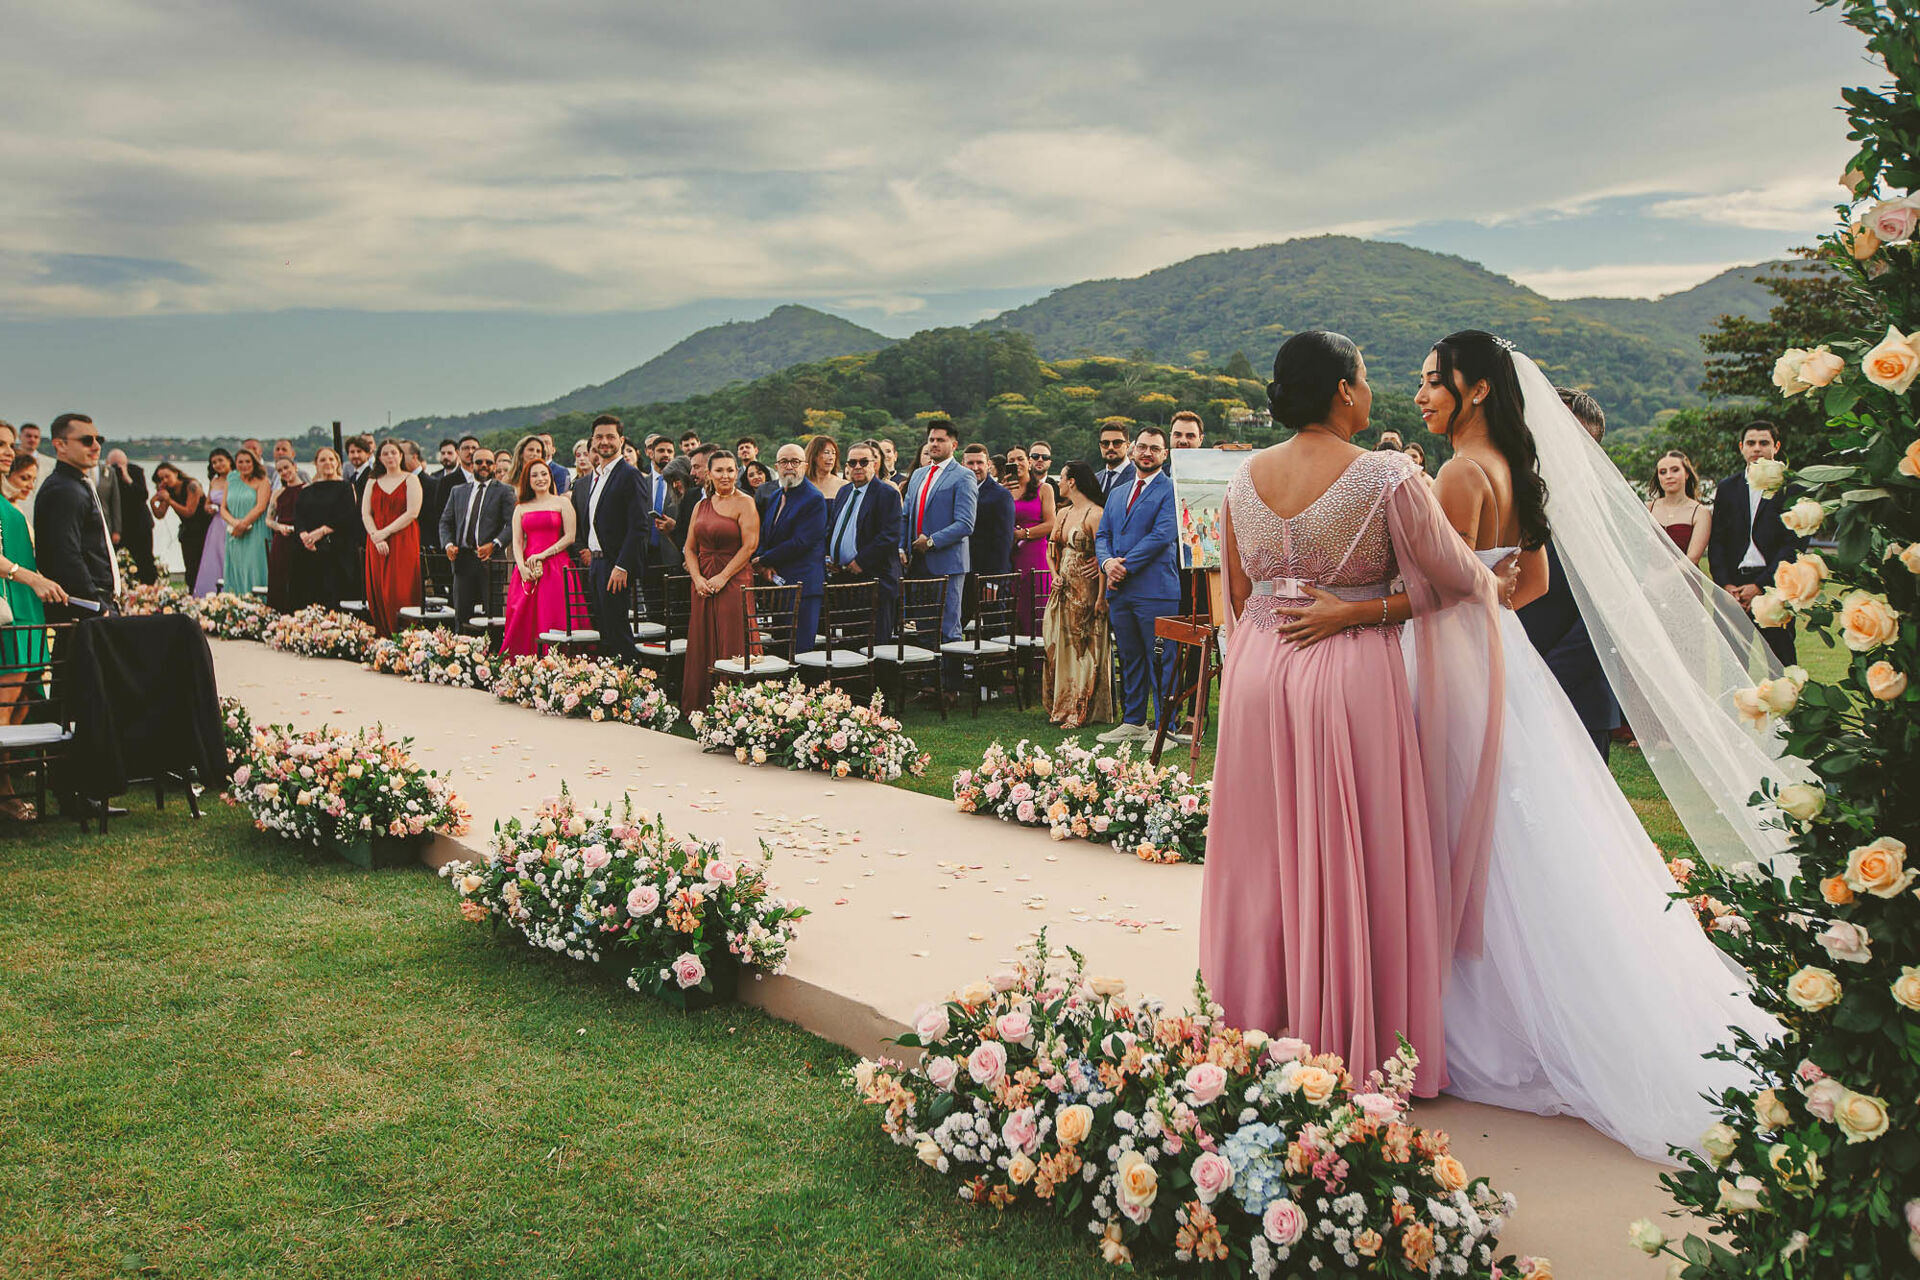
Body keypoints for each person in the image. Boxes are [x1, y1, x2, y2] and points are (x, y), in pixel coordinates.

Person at [1277, 329, 1782, 1158]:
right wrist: (1484, 608)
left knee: (1457, 832)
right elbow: (1528, 583)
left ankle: (1474, 1020)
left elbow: (1428, 590)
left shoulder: (1457, 473)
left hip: (1448, 666)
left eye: (1435, 382)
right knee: (1521, 834)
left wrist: (1349, 612)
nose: (1422, 395)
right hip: (1504, 662)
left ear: (1476, 389)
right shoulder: (1516, 468)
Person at [1199, 332, 1502, 1096]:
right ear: (1342, 390)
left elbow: (1236, 591)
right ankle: (1346, 1038)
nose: (1372, 390)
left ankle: (1254, 1025)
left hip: (1259, 669)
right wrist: (1363, 610)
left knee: (1262, 854)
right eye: (1365, 376)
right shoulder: (1385, 475)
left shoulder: (1242, 477)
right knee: (1350, 851)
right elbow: (1461, 580)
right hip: (1345, 668)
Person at [1516, 389, 1623, 759]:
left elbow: (1606, 616)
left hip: (1579, 695)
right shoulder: (1512, 494)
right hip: (1510, 683)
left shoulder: (1607, 511)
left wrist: (1541, 675)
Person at [1094, 427, 1180, 744]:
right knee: (1129, 657)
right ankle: (1134, 721)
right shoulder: (1117, 493)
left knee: (1160, 660)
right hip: (1121, 591)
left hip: (1155, 589)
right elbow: (1102, 535)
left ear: (1164, 454)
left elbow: (1161, 536)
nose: (1147, 453)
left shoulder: (1171, 490)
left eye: (1154, 448)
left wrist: (1123, 566)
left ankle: (1164, 728)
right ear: (1133, 450)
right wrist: (1107, 563)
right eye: (1142, 447)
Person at [0, 424, 66, 820]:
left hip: (27, 611)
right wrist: (30, 577)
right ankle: (4, 792)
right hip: (8, 610)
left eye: (9, 445)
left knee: (24, 701)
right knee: (4, 704)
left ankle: (11, 774)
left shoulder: (6, 498)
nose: (7, 452)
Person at [1707, 421, 1804, 664]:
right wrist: (1725, 585)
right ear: (1742, 447)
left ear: (1776, 446)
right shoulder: (1728, 487)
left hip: (1773, 585)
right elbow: (1717, 541)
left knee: (1781, 666)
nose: (1757, 448)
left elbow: (1793, 545)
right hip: (1733, 590)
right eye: (1751, 443)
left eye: (1764, 443)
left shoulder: (1791, 488)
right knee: (1732, 667)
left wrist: (1760, 586)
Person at [682, 452, 759, 714]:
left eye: (730, 470)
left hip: (734, 579)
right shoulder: (700, 506)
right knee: (702, 638)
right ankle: (702, 705)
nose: (725, 475)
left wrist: (723, 577)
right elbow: (689, 548)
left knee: (732, 638)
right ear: (709, 474)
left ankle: (736, 708)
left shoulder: (745, 503)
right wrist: (697, 579)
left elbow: (750, 546)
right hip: (702, 581)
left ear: (737, 472)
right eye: (719, 471)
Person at [571, 415, 649, 663]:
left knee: (618, 630)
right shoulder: (596, 477)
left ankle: (630, 686)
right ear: (592, 441)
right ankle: (609, 686)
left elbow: (639, 526)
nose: (604, 442)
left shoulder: (629, 474)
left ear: (621, 440)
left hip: (616, 566)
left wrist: (623, 565)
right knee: (604, 629)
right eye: (599, 437)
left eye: (610, 437)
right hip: (596, 564)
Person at [1041, 462, 1111, 728]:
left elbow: (1103, 556)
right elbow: (1051, 549)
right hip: (1063, 587)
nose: (1057, 483)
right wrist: (1053, 574)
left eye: (1061, 478)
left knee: (1083, 646)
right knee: (1058, 642)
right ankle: (1062, 703)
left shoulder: (1096, 513)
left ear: (1072, 482)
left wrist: (1101, 597)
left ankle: (1081, 708)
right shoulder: (1063, 513)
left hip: (1087, 588)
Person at [902, 421, 977, 670]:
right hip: (918, 563)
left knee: (947, 627)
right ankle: (928, 683)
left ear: (953, 445)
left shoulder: (964, 476)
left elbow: (965, 523)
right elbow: (906, 516)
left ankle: (951, 685)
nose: (934, 444)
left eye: (940, 440)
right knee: (923, 626)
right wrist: (903, 547)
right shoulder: (919, 475)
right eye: (931, 439)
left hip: (947, 562)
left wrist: (931, 542)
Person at [34, 413, 120, 615]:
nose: (96, 446)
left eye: (99, 440)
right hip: (83, 609)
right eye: (86, 440)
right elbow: (65, 554)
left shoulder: (74, 485)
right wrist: (96, 605)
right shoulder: (64, 490)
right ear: (60, 445)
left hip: (92, 604)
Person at [499, 445, 576, 657]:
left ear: (550, 477)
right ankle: (525, 662)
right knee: (524, 618)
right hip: (528, 569)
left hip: (557, 567)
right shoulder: (521, 507)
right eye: (534, 475)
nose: (540, 478)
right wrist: (521, 567)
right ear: (528, 480)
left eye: (544, 474)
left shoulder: (562, 502)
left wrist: (543, 554)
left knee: (555, 613)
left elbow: (570, 537)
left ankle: (558, 661)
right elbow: (516, 542)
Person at [827, 441, 904, 643]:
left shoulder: (887, 494)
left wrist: (860, 561)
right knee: (851, 642)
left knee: (875, 645)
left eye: (863, 462)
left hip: (875, 580)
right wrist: (831, 557)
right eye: (852, 463)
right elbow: (835, 528)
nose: (857, 467)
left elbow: (890, 535)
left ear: (874, 464)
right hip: (846, 579)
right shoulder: (844, 492)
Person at [755, 444, 828, 653]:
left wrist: (763, 560)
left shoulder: (814, 498)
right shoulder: (775, 496)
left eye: (795, 462)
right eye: (784, 462)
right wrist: (762, 560)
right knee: (779, 649)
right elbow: (765, 534)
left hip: (803, 586)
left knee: (800, 650)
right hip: (777, 584)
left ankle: (802, 687)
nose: (789, 466)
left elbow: (802, 542)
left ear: (805, 465)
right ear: (776, 466)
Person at [439, 445, 513, 628]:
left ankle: (493, 653)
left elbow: (512, 524)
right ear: (472, 465)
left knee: (492, 617)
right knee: (461, 615)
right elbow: (445, 522)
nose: (484, 465)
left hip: (491, 560)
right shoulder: (458, 491)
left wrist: (495, 545)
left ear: (494, 466)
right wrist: (448, 545)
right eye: (479, 462)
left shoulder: (504, 491)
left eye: (489, 462)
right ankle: (462, 653)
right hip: (462, 559)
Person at [360, 439, 423, 635]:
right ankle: (382, 635)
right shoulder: (372, 481)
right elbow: (365, 513)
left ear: (401, 455)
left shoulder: (411, 479)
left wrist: (386, 532)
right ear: (379, 458)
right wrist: (375, 536)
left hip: (402, 539)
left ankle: (405, 638)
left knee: (400, 589)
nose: (390, 457)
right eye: (385, 453)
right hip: (376, 540)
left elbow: (412, 512)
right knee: (378, 589)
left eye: (393, 453)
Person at [292, 448, 358, 609]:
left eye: (331, 459)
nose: (327, 463)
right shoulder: (306, 490)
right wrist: (305, 537)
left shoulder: (346, 488)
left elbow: (347, 516)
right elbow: (299, 516)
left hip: (337, 549)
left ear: (337, 463)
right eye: (322, 460)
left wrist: (320, 532)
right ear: (315, 464)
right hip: (309, 548)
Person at [1005, 444, 1055, 632]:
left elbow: (1051, 523)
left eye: (1020, 459)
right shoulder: (1004, 491)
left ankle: (1039, 660)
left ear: (1029, 462)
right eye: (1011, 460)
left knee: (1037, 611)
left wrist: (1024, 533)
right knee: (1013, 612)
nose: (1016, 463)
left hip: (1035, 555)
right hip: (1010, 556)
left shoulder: (1044, 489)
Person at [220, 447, 272, 597]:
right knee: (235, 567)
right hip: (234, 532)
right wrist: (235, 523)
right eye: (240, 462)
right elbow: (223, 508)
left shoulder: (262, 481)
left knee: (253, 567)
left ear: (254, 463)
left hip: (254, 530)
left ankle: (258, 604)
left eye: (248, 461)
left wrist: (243, 524)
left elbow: (261, 506)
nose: (244, 465)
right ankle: (235, 603)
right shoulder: (231, 478)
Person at [1648, 448, 1711, 566]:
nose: (1668, 476)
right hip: (1649, 580)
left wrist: (1662, 579)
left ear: (1687, 474)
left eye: (1675, 470)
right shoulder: (1647, 509)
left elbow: (1692, 559)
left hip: (1686, 580)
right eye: (1662, 472)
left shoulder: (1700, 513)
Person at [150, 464, 210, 587]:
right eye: (161, 479)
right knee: (190, 567)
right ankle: (192, 593)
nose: (165, 481)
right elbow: (160, 514)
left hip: (204, 529)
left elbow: (189, 512)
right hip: (188, 531)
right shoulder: (169, 491)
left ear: (176, 473)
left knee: (202, 566)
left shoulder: (192, 485)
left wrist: (169, 500)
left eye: (167, 476)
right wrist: (153, 501)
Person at [103, 450, 156, 583]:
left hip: (139, 524)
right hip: (117, 525)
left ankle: (149, 590)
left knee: (145, 562)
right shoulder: (105, 475)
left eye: (120, 464)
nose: (117, 467)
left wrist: (127, 478)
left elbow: (143, 495)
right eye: (113, 464)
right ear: (107, 463)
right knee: (108, 561)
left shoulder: (135, 471)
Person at [190, 448, 235, 595]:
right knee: (213, 559)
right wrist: (208, 508)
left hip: (231, 522)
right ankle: (208, 592)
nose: (218, 464)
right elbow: (207, 502)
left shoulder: (236, 478)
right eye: (214, 462)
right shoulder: (214, 481)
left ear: (229, 460)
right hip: (216, 525)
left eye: (220, 460)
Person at [264, 456, 305, 612]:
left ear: (295, 466)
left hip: (301, 539)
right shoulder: (278, 493)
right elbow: (269, 520)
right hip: (281, 540)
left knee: (299, 578)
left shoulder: (307, 489)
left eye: (286, 468)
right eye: (280, 470)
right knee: (279, 579)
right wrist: (279, 527)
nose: (284, 472)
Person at [419, 438, 467, 560]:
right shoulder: (435, 477)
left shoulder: (465, 476)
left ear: (457, 453)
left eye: (449, 453)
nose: (446, 456)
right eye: (443, 453)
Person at [1093, 422, 1134, 497]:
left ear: (1127, 445)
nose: (1110, 447)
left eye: (1117, 443)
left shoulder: (1138, 477)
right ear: (1100, 446)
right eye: (1105, 443)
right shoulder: (1094, 479)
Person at [805, 435, 844, 503]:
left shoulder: (844, 486)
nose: (831, 457)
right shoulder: (801, 484)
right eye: (826, 452)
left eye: (833, 453)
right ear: (814, 456)